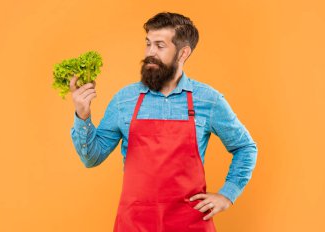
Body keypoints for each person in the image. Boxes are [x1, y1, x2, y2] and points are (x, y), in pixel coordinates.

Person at [69, 12, 257, 232]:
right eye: (148, 44)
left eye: (160, 46)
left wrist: (228, 194)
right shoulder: (125, 100)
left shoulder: (208, 100)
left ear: (183, 53)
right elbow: (92, 157)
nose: (150, 53)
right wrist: (83, 116)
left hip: (189, 223)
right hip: (135, 223)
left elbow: (245, 147)